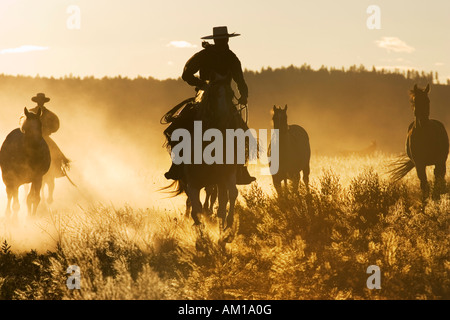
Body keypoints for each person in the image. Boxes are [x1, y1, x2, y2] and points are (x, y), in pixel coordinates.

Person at [164, 26, 256, 185]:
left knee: (243, 134)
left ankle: (240, 168)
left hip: (222, 98)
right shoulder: (209, 56)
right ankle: (177, 165)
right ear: (217, 40)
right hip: (204, 97)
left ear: (226, 39)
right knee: (177, 128)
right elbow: (187, 74)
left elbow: (240, 80)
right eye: (221, 39)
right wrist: (204, 85)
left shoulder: (228, 57)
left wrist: (244, 95)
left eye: (224, 39)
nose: (223, 42)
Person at [21, 93, 71, 203]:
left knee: (54, 151)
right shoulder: (31, 112)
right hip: (32, 136)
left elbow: (56, 125)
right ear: (36, 101)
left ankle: (57, 167)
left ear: (44, 102)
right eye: (39, 100)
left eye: (41, 100)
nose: (40, 102)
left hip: (44, 136)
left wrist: (47, 131)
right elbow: (22, 123)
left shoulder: (49, 114)